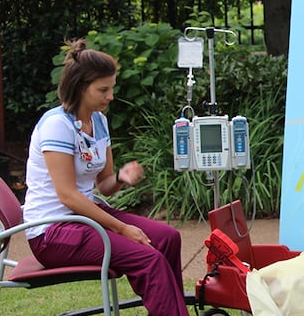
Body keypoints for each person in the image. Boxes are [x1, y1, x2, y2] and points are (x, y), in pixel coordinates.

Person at [22, 39, 189, 316]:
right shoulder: (57, 126)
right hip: (53, 233)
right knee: (148, 259)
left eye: (111, 88)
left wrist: (121, 178)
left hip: (85, 219)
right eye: (103, 89)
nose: (110, 96)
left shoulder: (99, 121)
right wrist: (122, 228)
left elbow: (104, 185)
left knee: (168, 238)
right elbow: (68, 196)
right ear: (79, 87)